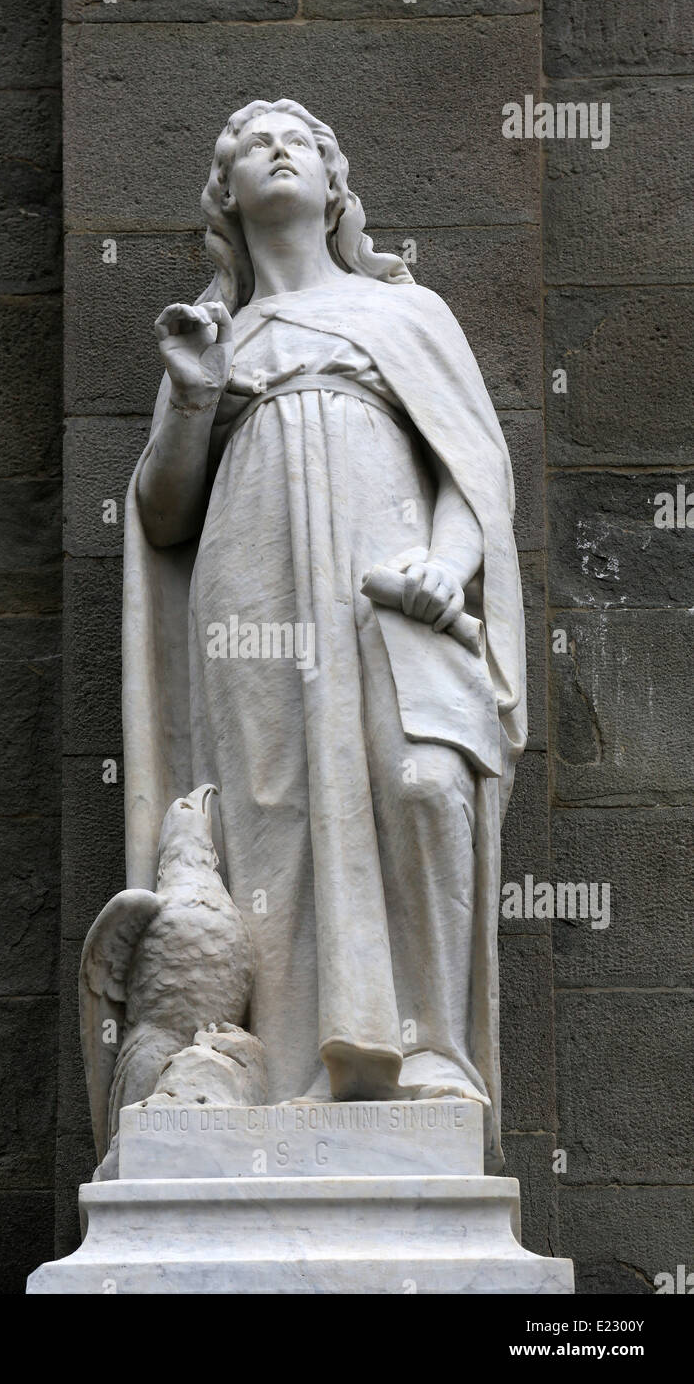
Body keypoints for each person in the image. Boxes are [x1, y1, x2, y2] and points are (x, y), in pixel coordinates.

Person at [122, 99, 526, 1171]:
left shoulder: (407, 315)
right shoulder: (213, 336)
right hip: (250, 586)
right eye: (252, 144)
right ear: (227, 194)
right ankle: (276, 1062)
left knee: (424, 782)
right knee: (268, 811)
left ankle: (430, 1047)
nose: (277, 148)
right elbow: (164, 516)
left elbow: (472, 469)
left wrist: (446, 563)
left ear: (335, 185)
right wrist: (195, 396)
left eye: (299, 138)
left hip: (388, 584)